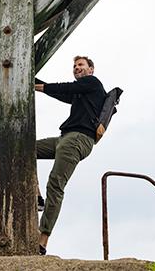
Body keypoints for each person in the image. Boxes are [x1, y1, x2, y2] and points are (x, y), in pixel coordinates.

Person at [34, 55, 107, 255]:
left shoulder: (92, 83)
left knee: (56, 185)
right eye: (74, 66)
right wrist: (32, 81)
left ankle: (42, 241)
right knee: (25, 149)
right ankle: (37, 195)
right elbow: (58, 92)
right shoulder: (81, 93)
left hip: (78, 139)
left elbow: (64, 88)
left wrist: (37, 85)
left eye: (81, 65)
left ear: (91, 69)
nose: (76, 68)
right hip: (65, 138)